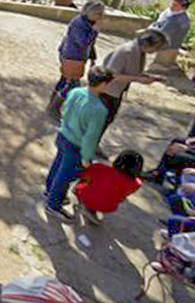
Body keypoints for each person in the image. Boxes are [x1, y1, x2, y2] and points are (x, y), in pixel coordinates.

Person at [45, 66, 116, 222]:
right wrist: (87, 157)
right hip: (76, 144)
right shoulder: (99, 109)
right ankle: (53, 204)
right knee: (66, 175)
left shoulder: (75, 92)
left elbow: (65, 111)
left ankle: (49, 192)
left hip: (63, 135)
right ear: (103, 84)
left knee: (57, 165)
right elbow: (91, 137)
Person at [96, 28, 168, 126]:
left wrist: (151, 77)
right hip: (106, 92)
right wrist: (138, 79)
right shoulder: (126, 51)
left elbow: (133, 72)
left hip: (117, 92)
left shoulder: (140, 53)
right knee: (99, 123)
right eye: (156, 48)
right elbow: (112, 75)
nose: (155, 51)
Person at [49, 0, 105, 120]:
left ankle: (52, 105)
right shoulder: (80, 23)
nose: (101, 17)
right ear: (90, 12)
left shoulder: (87, 23)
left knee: (64, 80)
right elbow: (83, 43)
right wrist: (95, 31)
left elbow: (91, 44)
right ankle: (55, 107)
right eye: (98, 14)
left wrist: (92, 58)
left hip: (74, 56)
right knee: (71, 84)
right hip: (72, 56)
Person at [73, 150, 144, 224]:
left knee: (85, 181)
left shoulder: (102, 168)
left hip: (87, 196)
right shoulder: (135, 184)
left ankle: (85, 204)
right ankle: (92, 210)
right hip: (109, 207)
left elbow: (85, 175)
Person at [149, 0, 192, 68]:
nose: (171, 6)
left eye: (175, 5)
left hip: (169, 44)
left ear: (183, 8)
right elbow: (159, 22)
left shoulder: (181, 20)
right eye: (172, 4)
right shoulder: (169, 12)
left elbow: (164, 32)